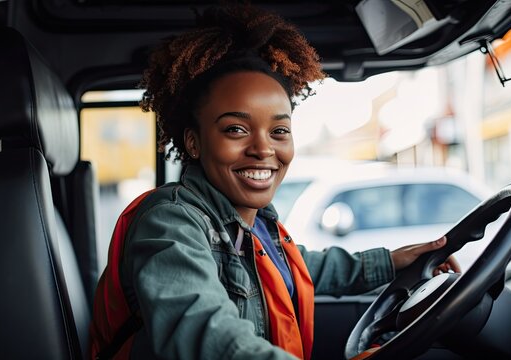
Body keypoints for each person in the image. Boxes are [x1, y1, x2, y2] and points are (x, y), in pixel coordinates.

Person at [90, 4, 460, 359]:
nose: (263, 149)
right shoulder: (170, 222)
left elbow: (296, 267)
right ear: (193, 142)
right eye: (236, 129)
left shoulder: (256, 223)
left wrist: (393, 262)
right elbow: (201, 329)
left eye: (279, 130)